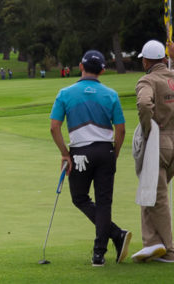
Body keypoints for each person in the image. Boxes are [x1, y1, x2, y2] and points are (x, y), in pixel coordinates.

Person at [50, 50, 131, 266]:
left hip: (80, 153)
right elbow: (121, 130)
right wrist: (116, 151)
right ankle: (100, 253)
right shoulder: (111, 94)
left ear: (80, 66)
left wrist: (64, 153)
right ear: (103, 70)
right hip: (106, 151)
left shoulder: (65, 93)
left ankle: (116, 235)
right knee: (104, 202)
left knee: (80, 198)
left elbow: (54, 127)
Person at [131, 40, 174, 263]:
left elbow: (145, 104)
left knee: (157, 196)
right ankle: (151, 242)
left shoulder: (148, 79)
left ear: (146, 60)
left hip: (160, 140)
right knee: (150, 189)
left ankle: (169, 250)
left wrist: (148, 129)